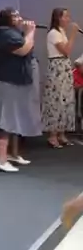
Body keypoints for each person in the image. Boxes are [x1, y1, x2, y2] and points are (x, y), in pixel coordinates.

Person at [0, 8, 41, 172]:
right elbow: (23, 49)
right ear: (6, 18)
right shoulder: (4, 33)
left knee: (14, 119)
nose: (19, 18)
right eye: (15, 16)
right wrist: (30, 32)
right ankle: (0, 158)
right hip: (5, 81)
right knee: (5, 120)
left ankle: (12, 154)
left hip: (12, 81)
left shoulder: (10, 33)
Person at [42, 8, 78, 148]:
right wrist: (73, 34)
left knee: (65, 100)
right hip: (57, 68)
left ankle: (61, 133)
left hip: (64, 67)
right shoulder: (53, 33)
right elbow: (66, 50)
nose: (68, 19)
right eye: (66, 16)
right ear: (58, 18)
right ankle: (52, 135)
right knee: (55, 100)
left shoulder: (61, 32)